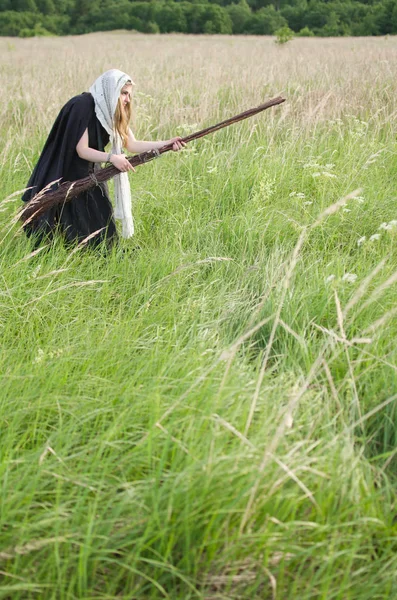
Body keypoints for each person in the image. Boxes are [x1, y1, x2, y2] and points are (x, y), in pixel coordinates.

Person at [22, 69, 185, 248]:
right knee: (52, 230)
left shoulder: (112, 110)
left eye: (129, 95)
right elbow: (82, 150)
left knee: (104, 236)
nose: (127, 99)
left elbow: (132, 144)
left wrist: (167, 144)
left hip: (90, 173)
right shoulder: (83, 105)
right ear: (111, 89)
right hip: (64, 174)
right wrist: (111, 157)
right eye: (123, 93)